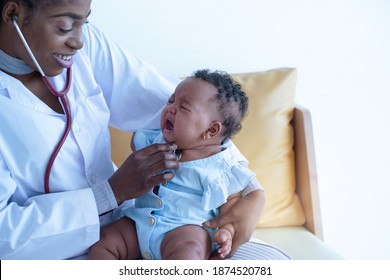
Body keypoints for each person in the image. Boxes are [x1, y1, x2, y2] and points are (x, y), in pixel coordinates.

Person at [0, 0, 289, 260]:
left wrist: (253, 194)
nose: (78, 41)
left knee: (271, 263)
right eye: (64, 26)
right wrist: (111, 192)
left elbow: (194, 115)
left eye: (83, 22)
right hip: (53, 252)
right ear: (13, 13)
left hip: (141, 224)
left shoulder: (86, 45)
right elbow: (5, 237)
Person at [88, 69, 257, 260]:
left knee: (188, 253)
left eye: (183, 107)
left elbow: (233, 202)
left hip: (186, 230)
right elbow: (136, 143)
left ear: (211, 129)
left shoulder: (221, 166)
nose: (170, 109)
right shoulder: (156, 141)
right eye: (170, 101)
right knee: (105, 241)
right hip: (139, 222)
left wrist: (227, 230)